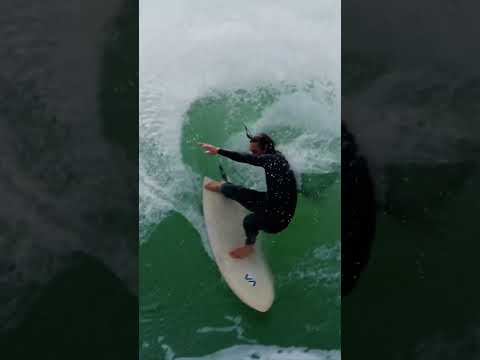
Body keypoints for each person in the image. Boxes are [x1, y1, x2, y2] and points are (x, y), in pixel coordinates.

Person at [200, 133, 298, 259]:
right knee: (233, 190)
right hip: (269, 201)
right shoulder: (276, 156)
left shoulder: (272, 160)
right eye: (251, 151)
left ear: (265, 149)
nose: (253, 154)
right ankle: (224, 187)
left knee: (249, 221)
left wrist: (218, 150)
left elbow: (245, 158)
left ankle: (249, 246)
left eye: (255, 151)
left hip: (278, 219)